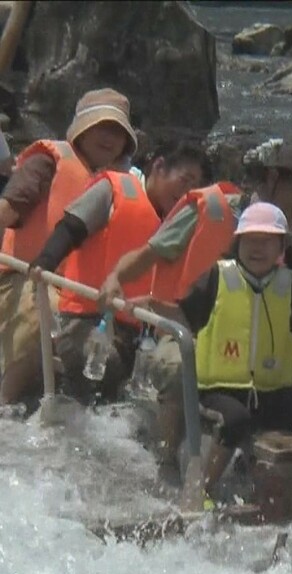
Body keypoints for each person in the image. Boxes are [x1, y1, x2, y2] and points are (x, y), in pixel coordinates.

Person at [97, 142, 292, 482]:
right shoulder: (211, 208)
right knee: (179, 362)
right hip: (184, 322)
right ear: (272, 178)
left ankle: (273, 445)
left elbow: (275, 296)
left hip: (247, 347)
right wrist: (115, 279)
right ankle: (166, 460)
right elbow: (148, 254)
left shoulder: (289, 240)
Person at [131, 202, 292, 510]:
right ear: (238, 243)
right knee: (236, 421)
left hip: (269, 392)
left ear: (281, 247)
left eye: (266, 242)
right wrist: (151, 305)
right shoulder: (217, 277)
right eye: (250, 241)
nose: (257, 248)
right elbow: (184, 316)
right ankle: (201, 492)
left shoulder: (286, 286)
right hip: (217, 390)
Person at [29, 141, 210, 402]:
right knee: (109, 364)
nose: (187, 191)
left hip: (140, 331)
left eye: (195, 187)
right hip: (84, 321)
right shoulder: (114, 189)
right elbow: (71, 227)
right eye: (185, 180)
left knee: (183, 365)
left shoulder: (181, 226)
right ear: (159, 167)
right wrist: (44, 261)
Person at [0, 88, 137, 405]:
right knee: (47, 313)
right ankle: (6, 404)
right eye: (101, 126)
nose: (109, 137)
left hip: (78, 293)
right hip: (22, 278)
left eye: (118, 131)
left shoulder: (115, 184)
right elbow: (7, 210)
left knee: (112, 343)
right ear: (82, 128)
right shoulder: (47, 162)